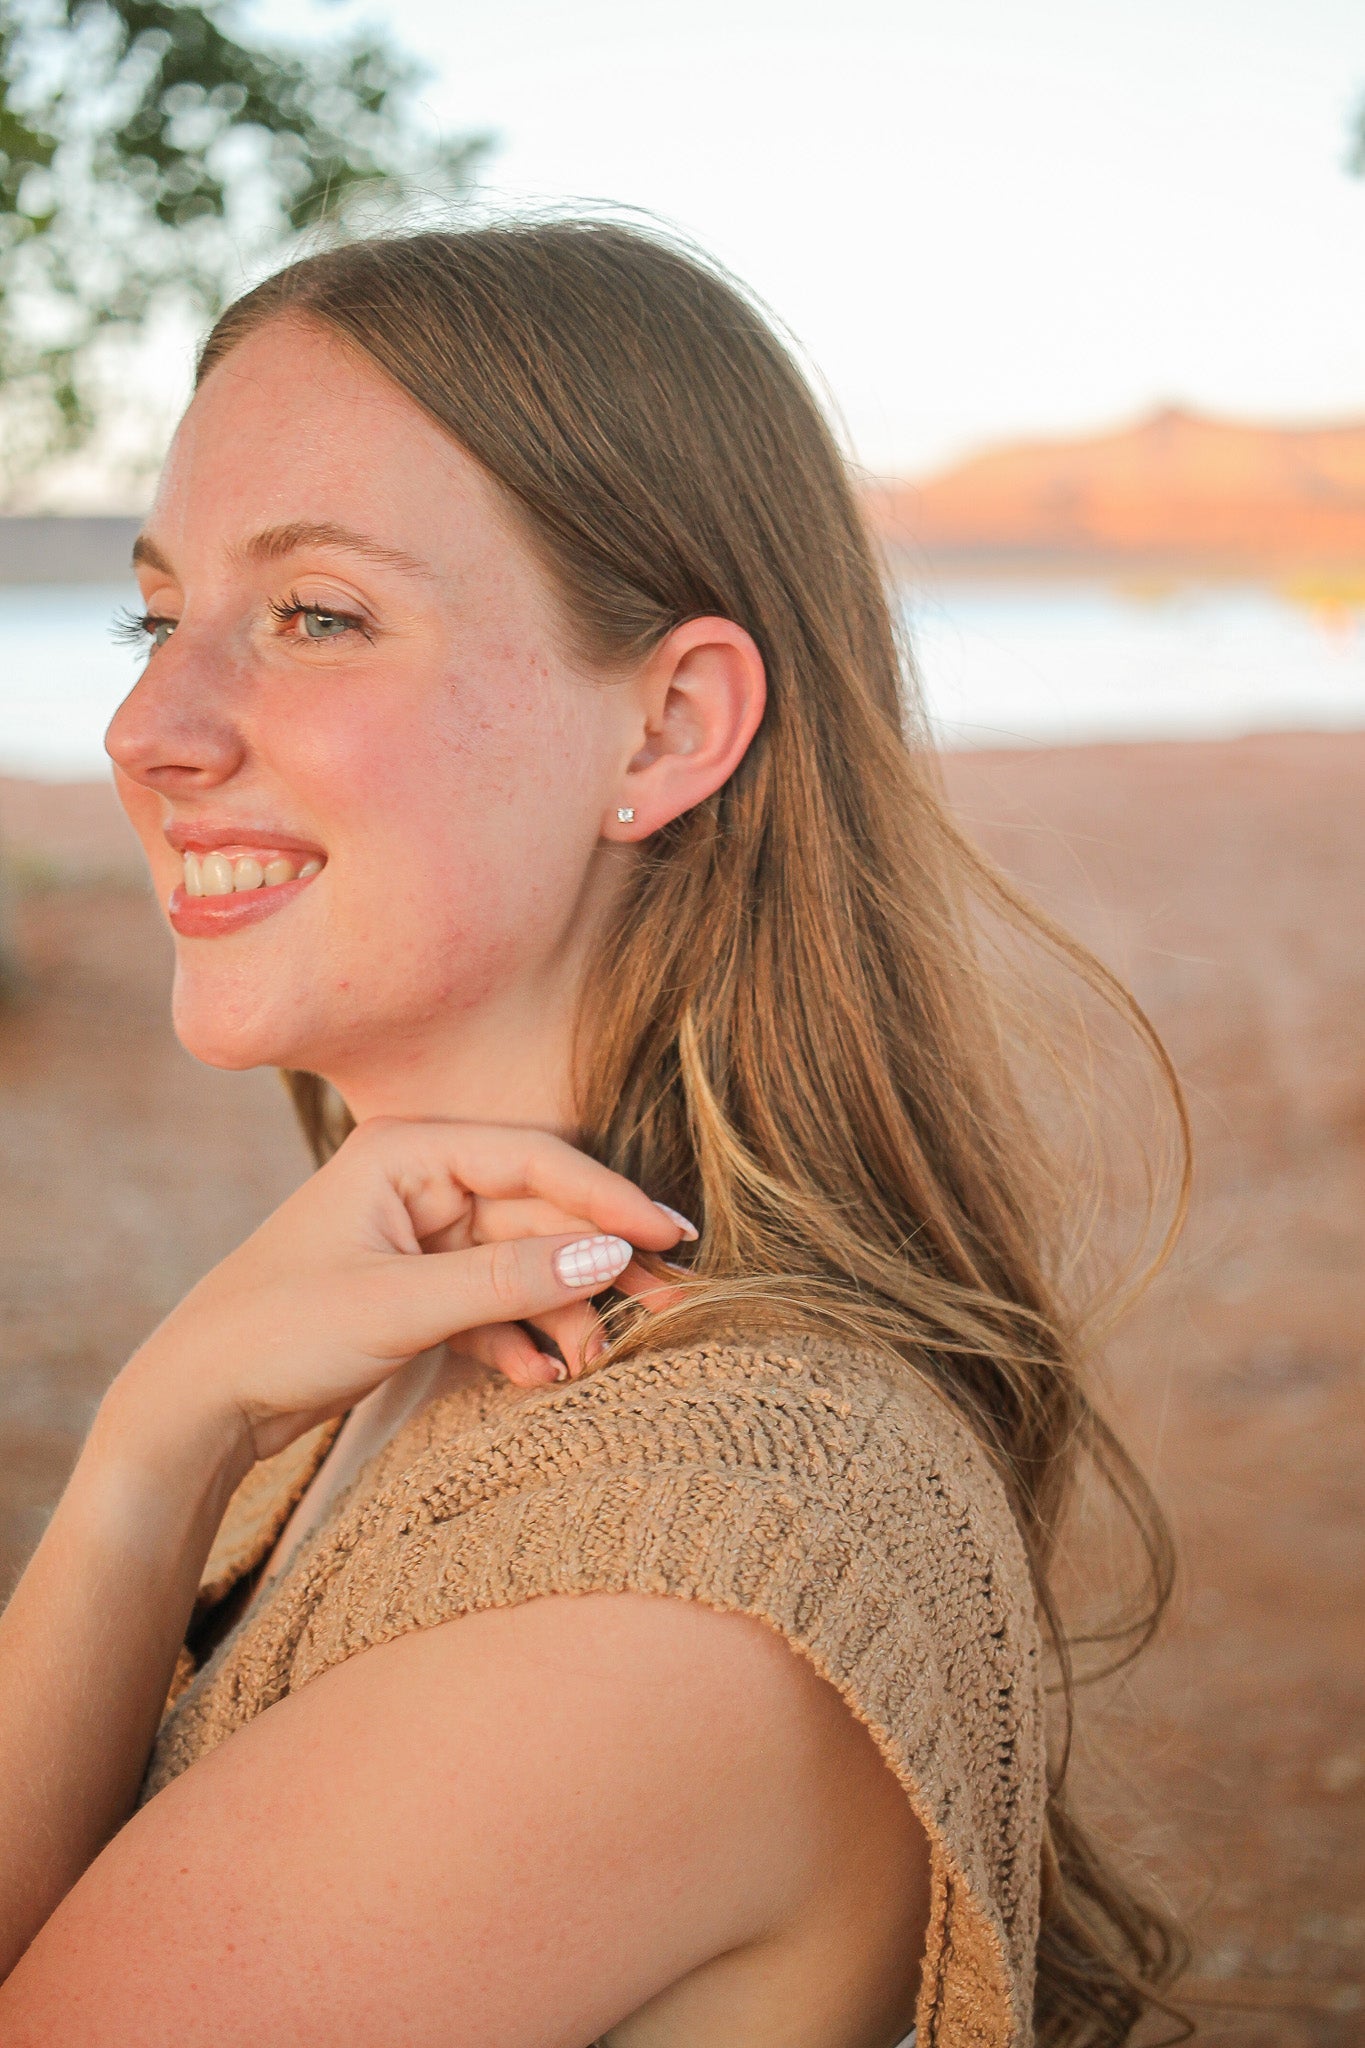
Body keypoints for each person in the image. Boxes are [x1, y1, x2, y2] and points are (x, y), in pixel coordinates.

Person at [0, 219, 1187, 2046]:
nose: (148, 723)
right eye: (156, 618)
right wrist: (159, 1446)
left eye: (315, 615)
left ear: (669, 725)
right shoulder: (393, 1349)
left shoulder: (662, 1580)